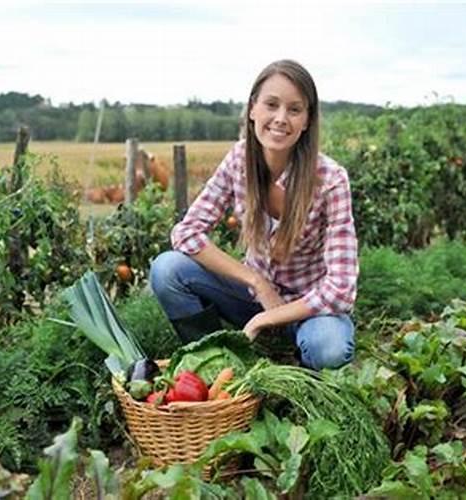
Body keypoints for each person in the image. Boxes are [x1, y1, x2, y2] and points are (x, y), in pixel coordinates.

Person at [149, 60, 358, 370]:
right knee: (167, 269)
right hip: (249, 298)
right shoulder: (239, 160)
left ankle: (297, 372)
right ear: (252, 109)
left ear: (307, 121)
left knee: (327, 347)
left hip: (309, 310)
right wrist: (256, 281)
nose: (280, 118)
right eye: (271, 105)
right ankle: (220, 362)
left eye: (294, 109)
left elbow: (341, 289)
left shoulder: (330, 180)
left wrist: (268, 317)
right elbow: (187, 233)